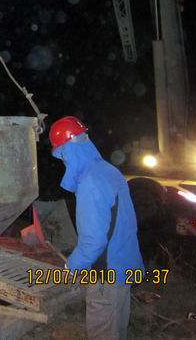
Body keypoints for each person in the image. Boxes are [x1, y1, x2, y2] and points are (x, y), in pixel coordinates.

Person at [49, 116, 144, 340]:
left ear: (68, 151)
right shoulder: (108, 171)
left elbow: (94, 241)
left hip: (107, 276)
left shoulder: (89, 183)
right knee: (117, 331)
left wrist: (71, 266)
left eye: (62, 156)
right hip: (123, 265)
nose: (64, 163)